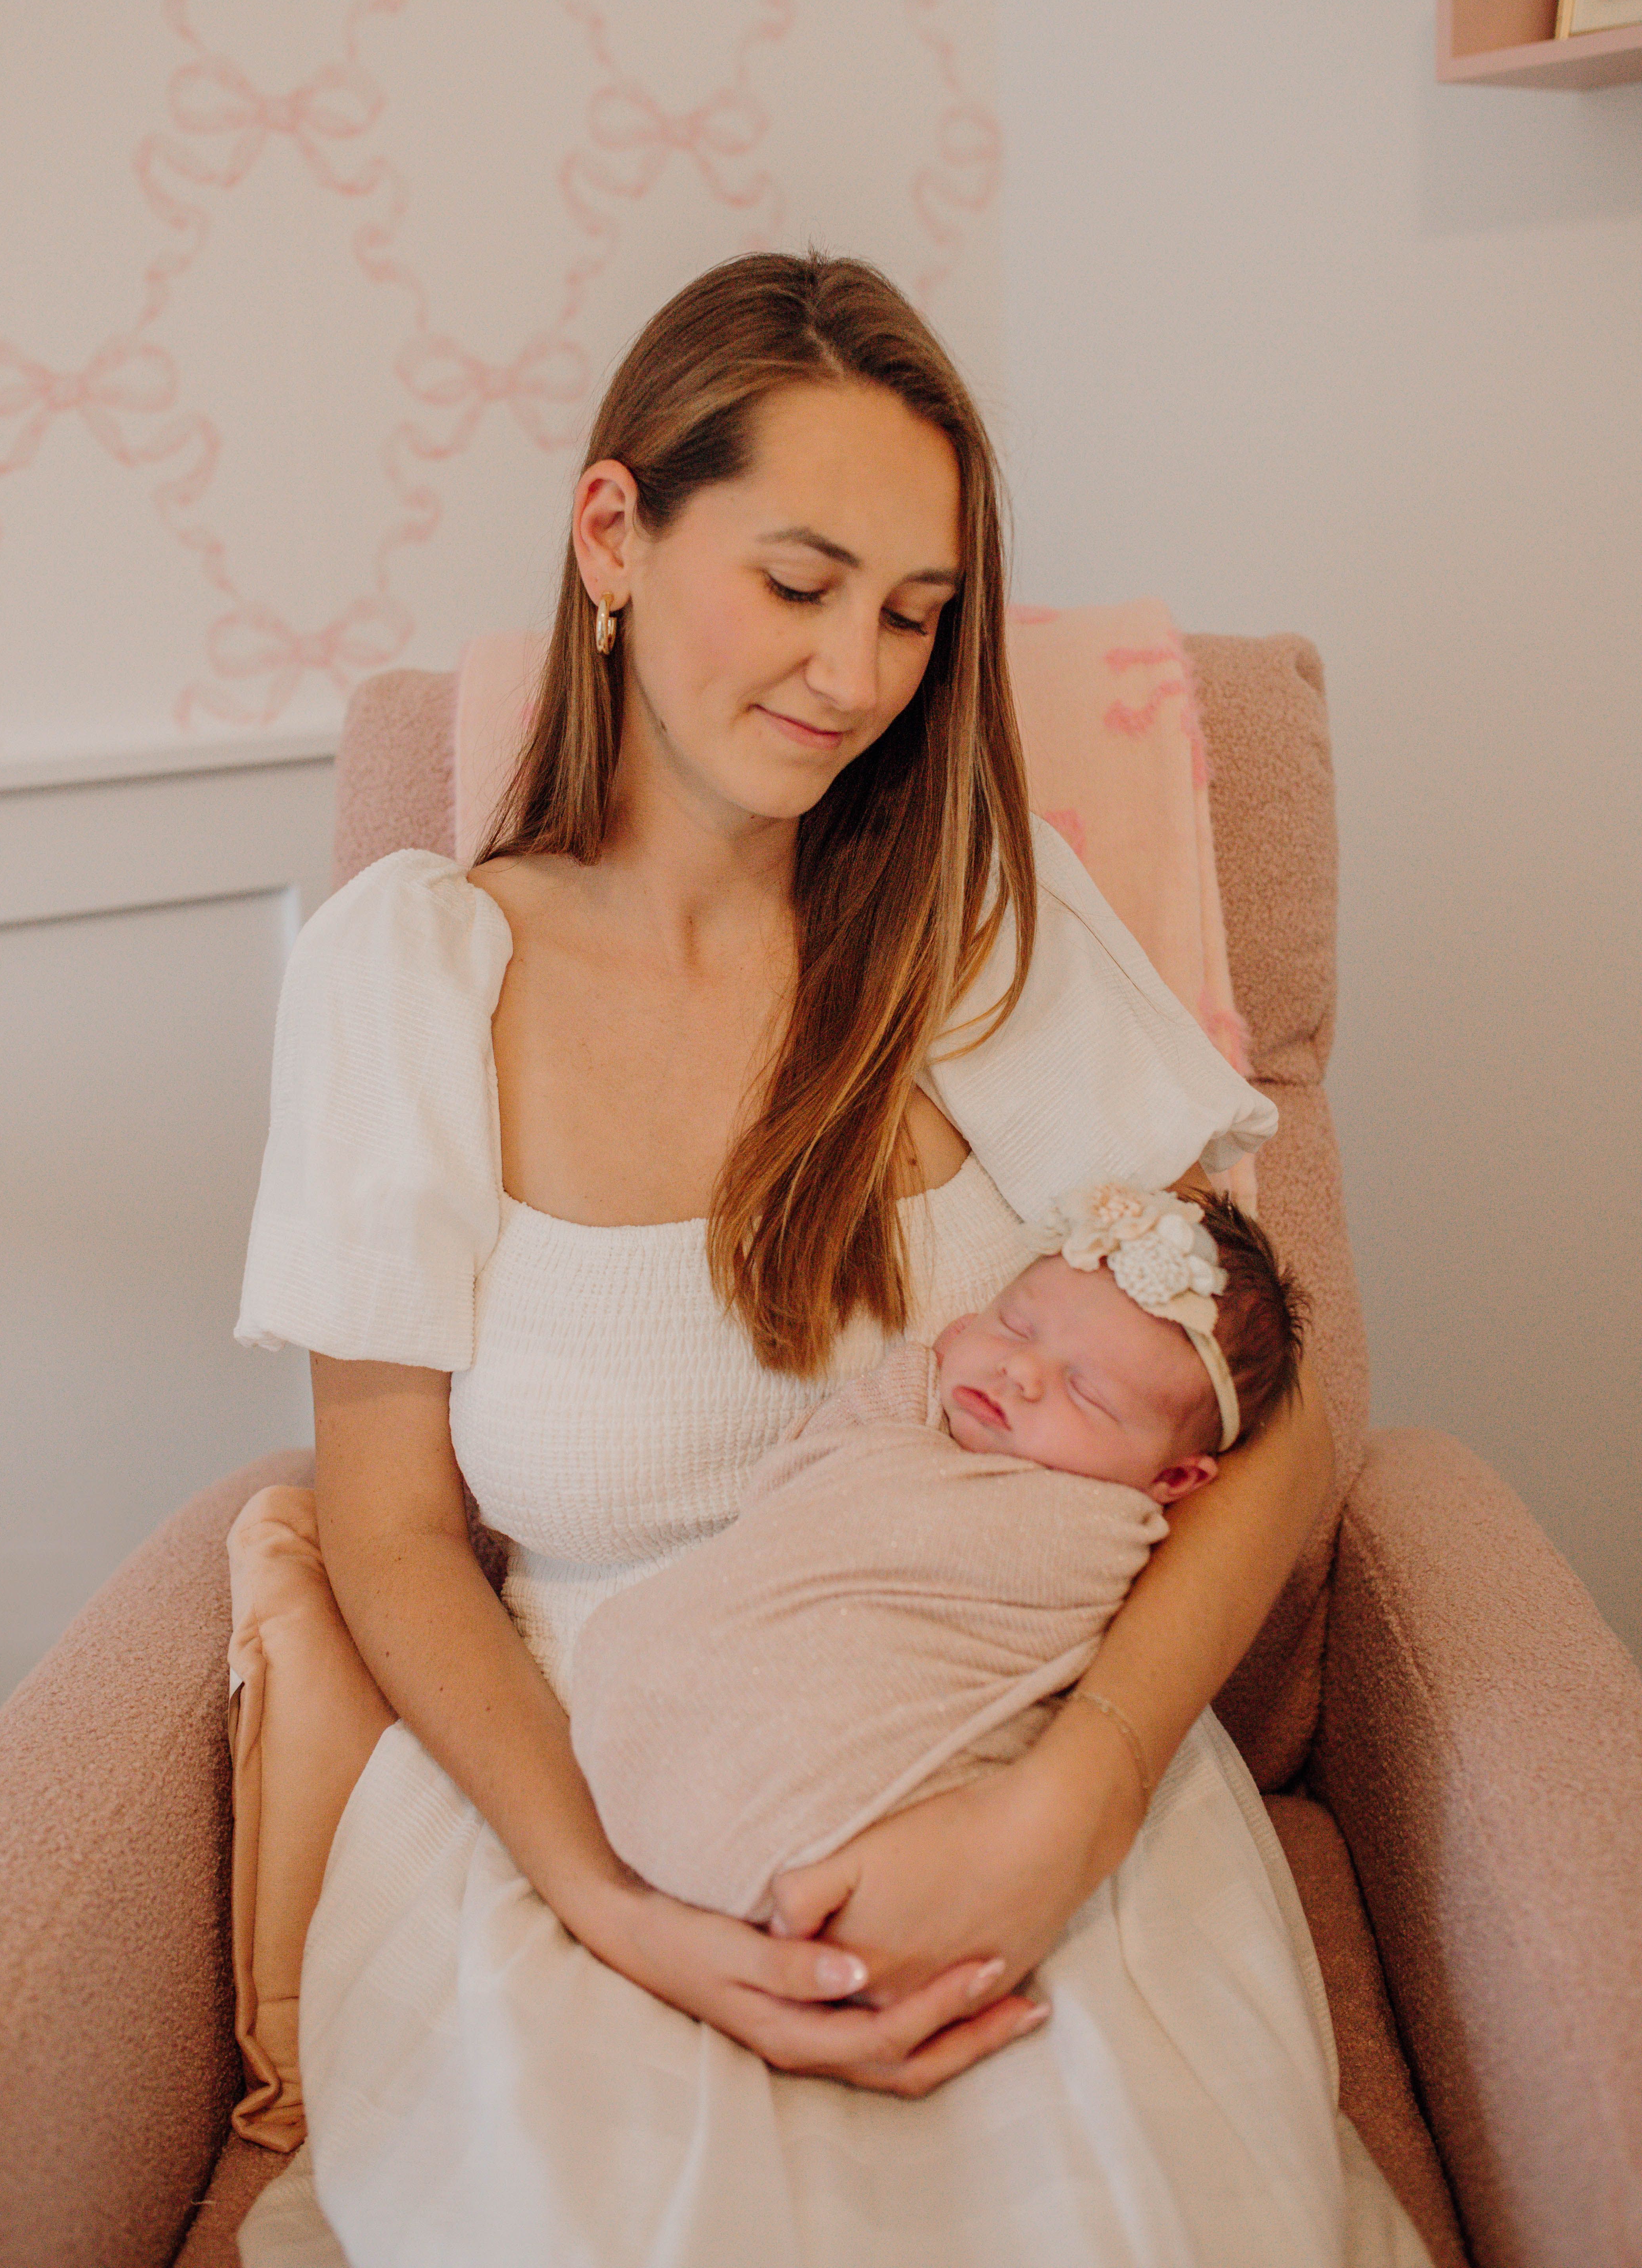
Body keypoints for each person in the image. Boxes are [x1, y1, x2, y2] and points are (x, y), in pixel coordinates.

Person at [234, 252, 1426, 2266]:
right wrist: (608, 1903)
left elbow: (1291, 1428)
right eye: (799, 586)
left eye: (913, 614)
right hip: (594, 1793)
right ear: (612, 533)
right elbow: (396, 1536)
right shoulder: (414, 977)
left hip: (1016, 1764)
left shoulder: (976, 927)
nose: (858, 675)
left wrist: (1076, 1808)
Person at [570, 1183, 1309, 1925]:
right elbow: (790, 1491)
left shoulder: (1103, 1533)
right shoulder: (907, 1406)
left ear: (1174, 1479)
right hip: (639, 1718)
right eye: (1015, 1326)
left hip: (839, 1808)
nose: (1022, 1373)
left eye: (1088, 1393)